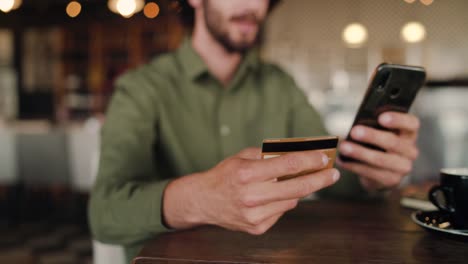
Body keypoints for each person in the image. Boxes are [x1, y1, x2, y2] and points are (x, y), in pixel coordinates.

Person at [89, 0, 420, 262]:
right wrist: (200, 199)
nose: (253, 5)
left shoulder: (280, 84)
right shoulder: (140, 88)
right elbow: (105, 213)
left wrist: (369, 176)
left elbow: (326, 170)